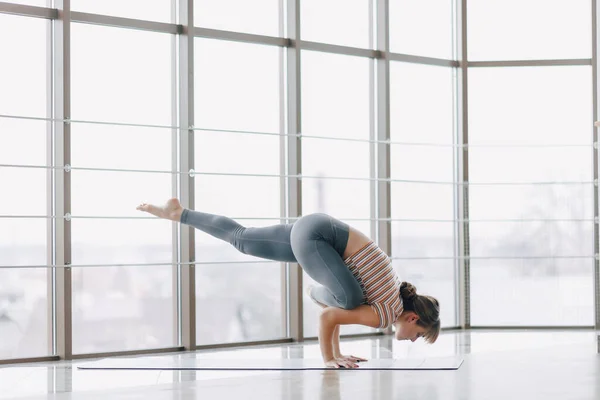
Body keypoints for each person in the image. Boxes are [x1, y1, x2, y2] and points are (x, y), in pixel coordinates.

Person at [137, 198, 440, 369]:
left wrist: (338, 352)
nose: (412, 339)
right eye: (418, 334)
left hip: (318, 228)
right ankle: (317, 293)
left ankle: (179, 213)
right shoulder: (385, 314)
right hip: (318, 238)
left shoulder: (393, 294)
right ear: (413, 318)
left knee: (242, 239)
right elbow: (329, 315)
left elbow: (339, 316)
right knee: (345, 300)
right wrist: (329, 358)